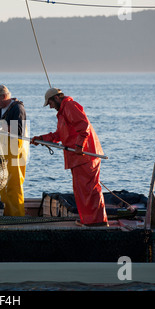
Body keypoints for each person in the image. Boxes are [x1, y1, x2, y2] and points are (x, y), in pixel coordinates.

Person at [30, 88, 108, 227]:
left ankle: (98, 222)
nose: (50, 107)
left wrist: (79, 146)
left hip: (86, 156)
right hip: (76, 158)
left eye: (50, 103)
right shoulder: (62, 113)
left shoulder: (70, 106)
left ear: (56, 98)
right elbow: (59, 135)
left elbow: (84, 126)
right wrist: (41, 139)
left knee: (90, 189)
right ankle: (88, 220)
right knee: (81, 191)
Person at [0, 85, 28, 216]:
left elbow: (19, 130)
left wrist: (0, 126)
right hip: (4, 152)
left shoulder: (17, 108)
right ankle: (6, 214)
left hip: (16, 152)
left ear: (4, 97)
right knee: (2, 183)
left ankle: (17, 216)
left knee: (14, 185)